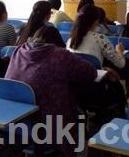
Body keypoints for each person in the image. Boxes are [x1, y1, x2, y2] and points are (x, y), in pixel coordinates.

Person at [6, 25, 97, 156]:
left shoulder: (19, 50)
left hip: (16, 120)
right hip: (50, 124)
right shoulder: (61, 55)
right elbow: (91, 73)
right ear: (58, 42)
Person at [67, 4, 125, 69]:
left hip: (74, 77)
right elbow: (121, 64)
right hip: (94, 77)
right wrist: (119, 51)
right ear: (96, 21)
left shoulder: (70, 40)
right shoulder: (100, 38)